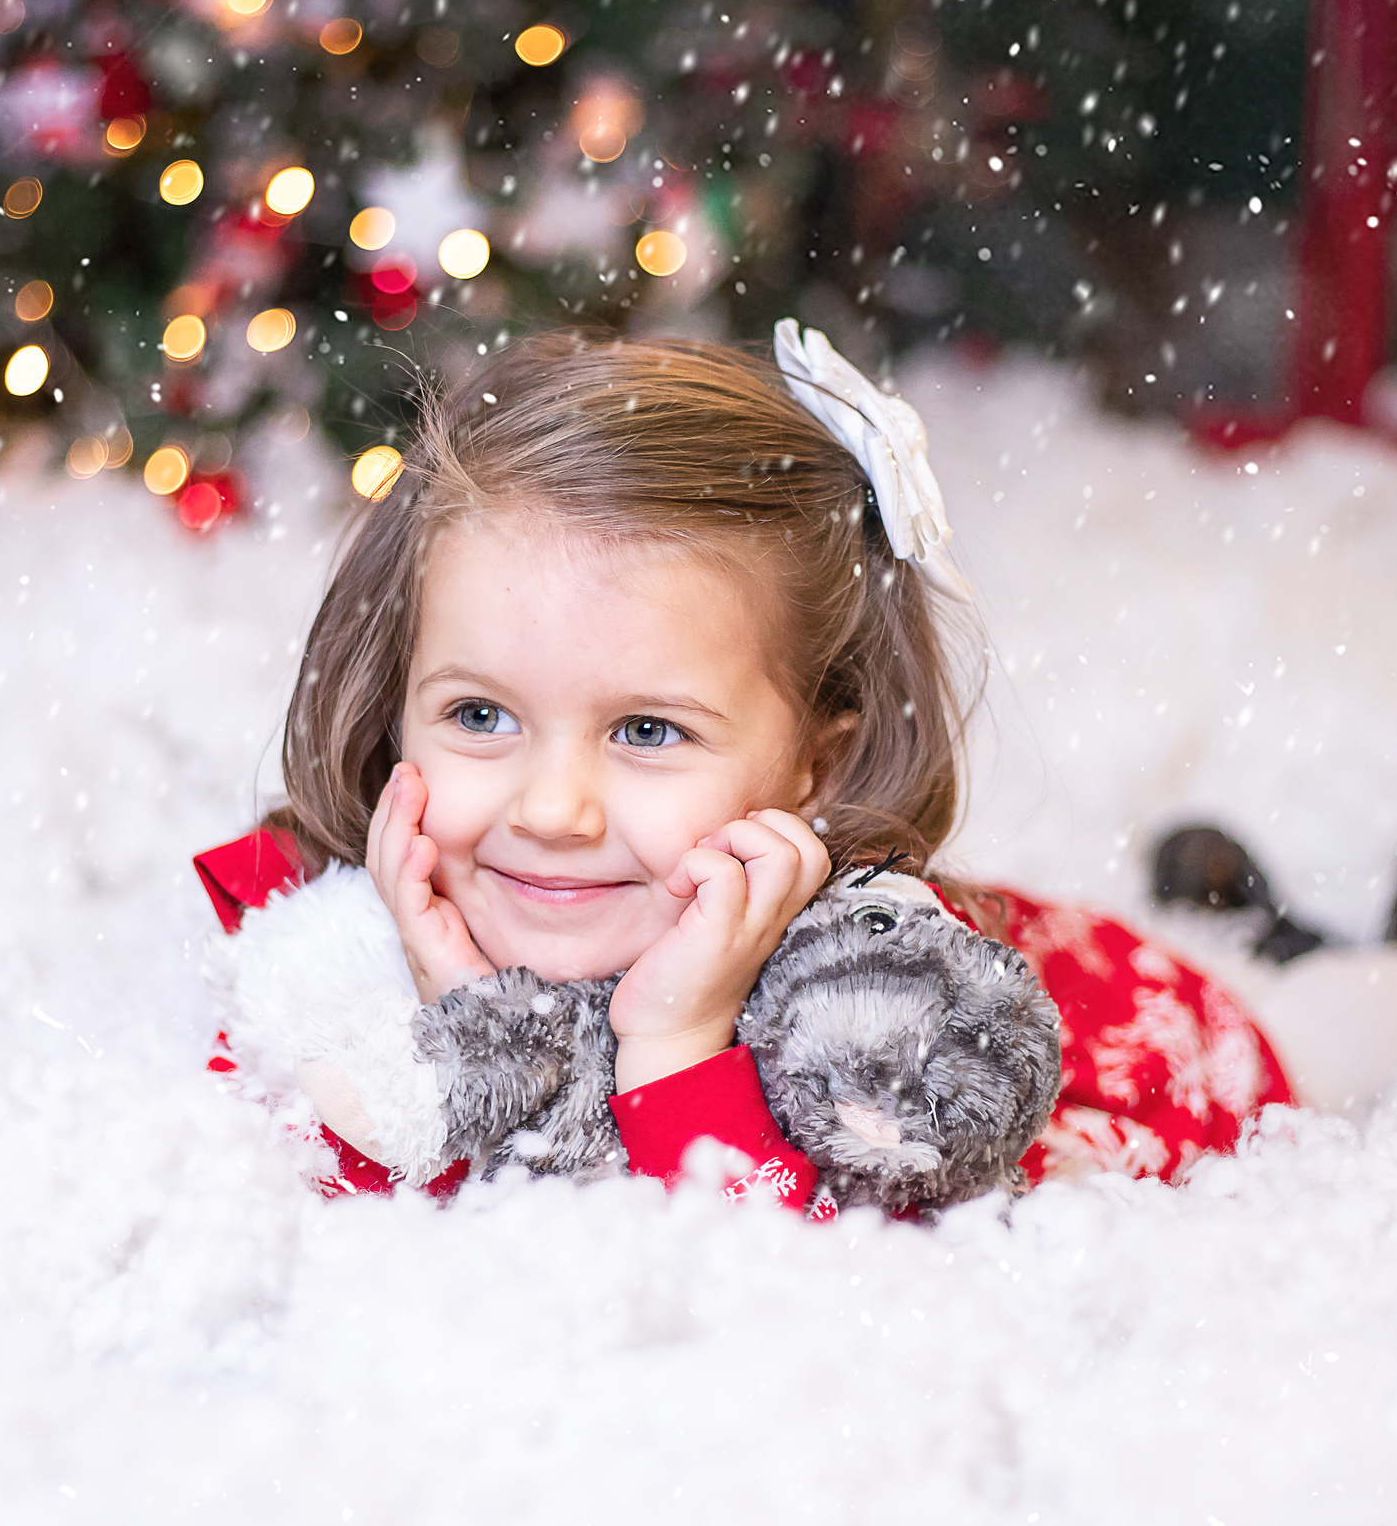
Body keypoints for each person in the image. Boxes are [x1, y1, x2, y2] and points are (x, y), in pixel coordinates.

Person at [196, 325, 1314, 1212]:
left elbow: (801, 1321)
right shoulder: (334, 964)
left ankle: (1350, 953)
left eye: (646, 733)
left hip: (1168, 1029)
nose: (548, 810)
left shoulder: (883, 1041)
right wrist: (472, 1032)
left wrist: (677, 1046)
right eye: (479, 714)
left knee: (1338, 1034)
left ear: (814, 768)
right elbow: (344, 1205)